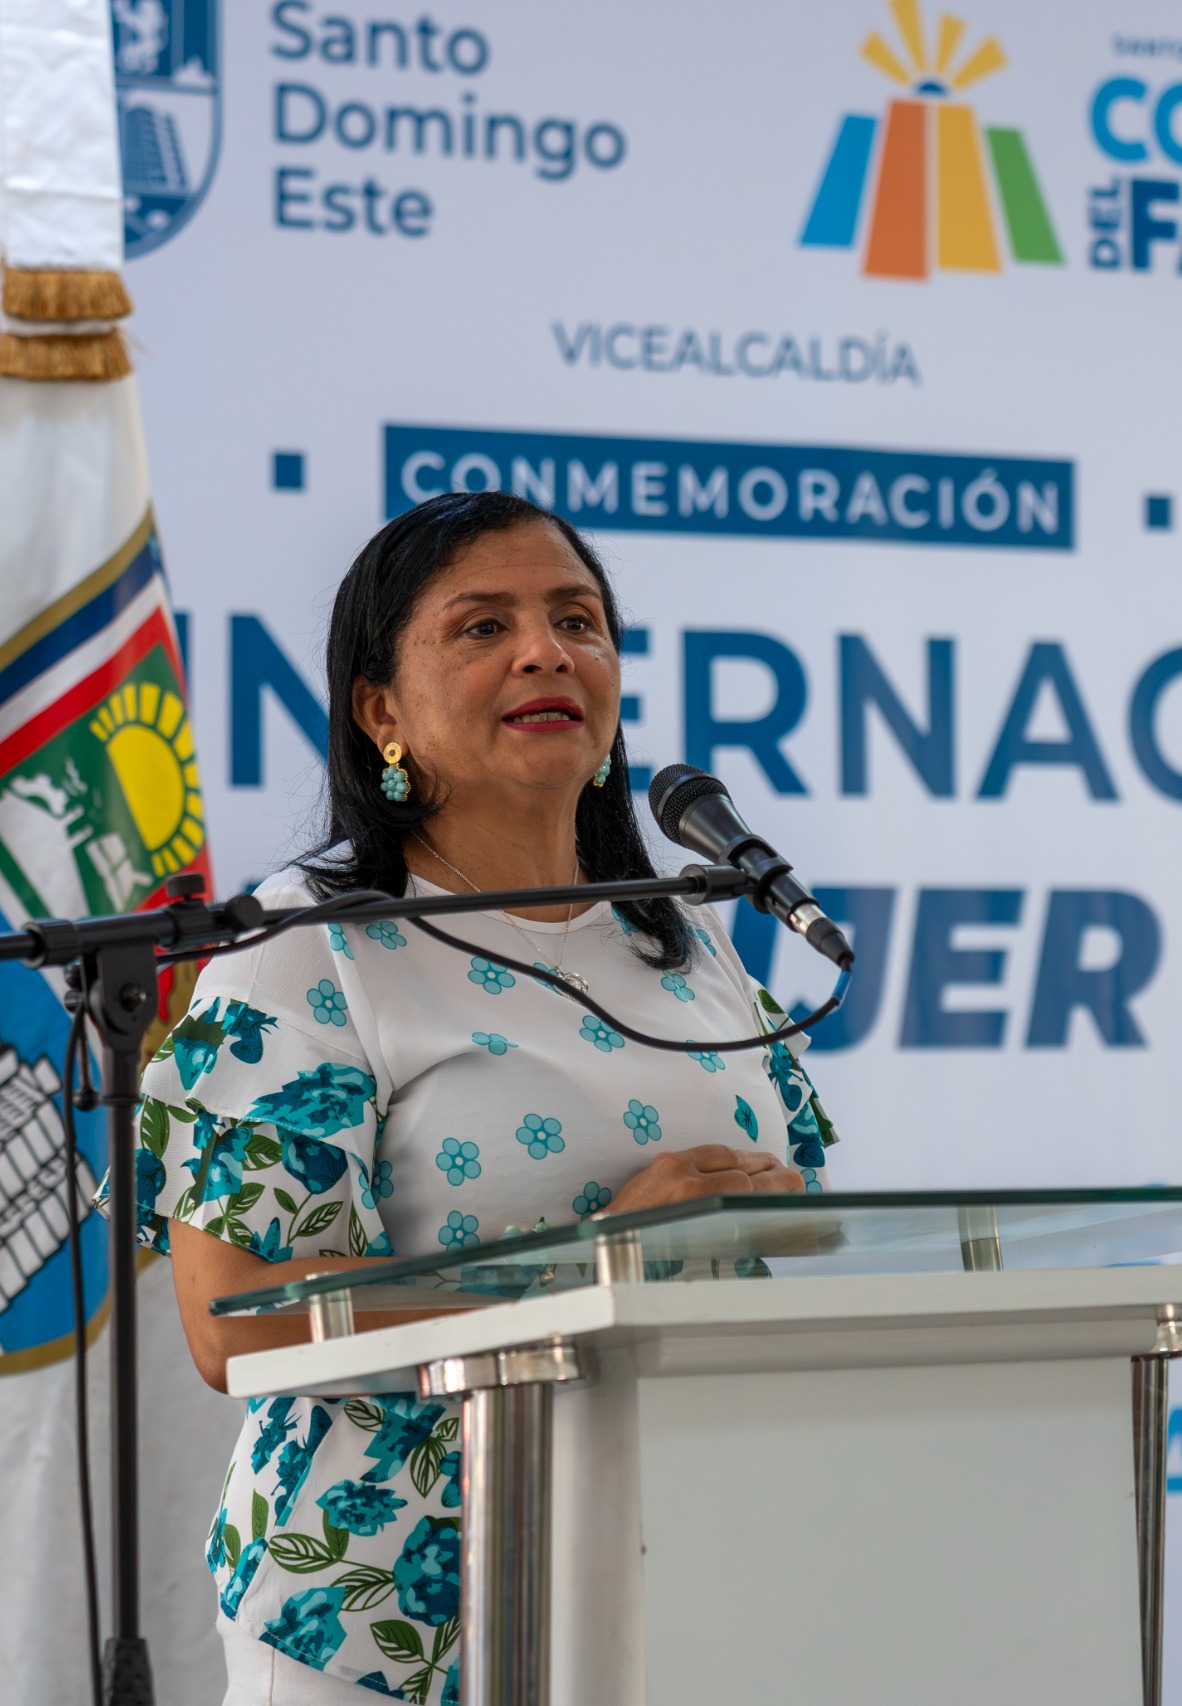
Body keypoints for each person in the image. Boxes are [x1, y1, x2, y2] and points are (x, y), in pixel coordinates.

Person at [123, 490, 837, 1703]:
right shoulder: (307, 949)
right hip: (392, 1612)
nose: (546, 649)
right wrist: (591, 1261)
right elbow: (233, 1324)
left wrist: (749, 1218)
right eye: (479, 625)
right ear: (379, 708)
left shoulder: (681, 938)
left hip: (685, 1570)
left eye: (577, 619)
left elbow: (786, 1220)